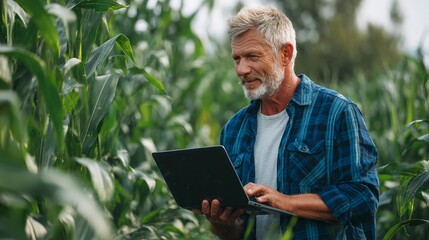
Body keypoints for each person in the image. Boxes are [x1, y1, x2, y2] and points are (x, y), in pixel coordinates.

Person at [193, 6, 379, 240]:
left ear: (285, 54)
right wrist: (221, 222)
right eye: (236, 58)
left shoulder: (336, 113)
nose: (241, 69)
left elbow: (362, 196)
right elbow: (238, 233)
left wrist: (284, 202)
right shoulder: (233, 130)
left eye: (252, 56)